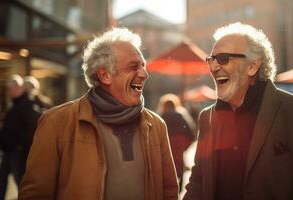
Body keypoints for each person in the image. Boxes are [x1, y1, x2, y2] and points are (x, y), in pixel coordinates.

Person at [184, 22, 293, 200]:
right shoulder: (208, 118)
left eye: (223, 58)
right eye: (211, 60)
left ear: (252, 66)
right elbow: (199, 180)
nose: (213, 67)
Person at [19, 28, 178, 200]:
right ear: (105, 75)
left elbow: (168, 191)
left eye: (143, 66)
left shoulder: (157, 125)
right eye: (133, 67)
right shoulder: (56, 122)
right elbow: (35, 194)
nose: (144, 74)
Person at [0, 74, 41, 200]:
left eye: (10, 89)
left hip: (18, 151)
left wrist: (22, 145)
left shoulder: (26, 103)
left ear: (17, 88)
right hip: (9, 151)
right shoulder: (16, 104)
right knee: (2, 178)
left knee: (20, 182)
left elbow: (35, 124)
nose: (9, 92)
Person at [157, 94, 196, 191]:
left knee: (164, 167)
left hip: (165, 145)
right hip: (178, 145)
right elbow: (191, 133)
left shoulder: (160, 117)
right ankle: (180, 187)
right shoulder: (181, 115)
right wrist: (184, 146)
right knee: (179, 165)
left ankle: (166, 187)